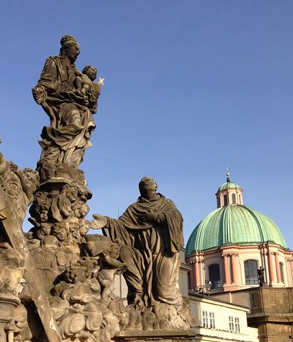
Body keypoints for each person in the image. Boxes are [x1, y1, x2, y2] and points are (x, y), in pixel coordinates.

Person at [91, 177, 184, 311]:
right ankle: (139, 296)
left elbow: (176, 218)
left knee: (163, 291)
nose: (149, 189)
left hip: (164, 253)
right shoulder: (135, 209)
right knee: (124, 252)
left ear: (156, 187)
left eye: (151, 187)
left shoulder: (166, 204)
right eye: (145, 187)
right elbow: (121, 225)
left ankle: (178, 311)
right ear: (141, 191)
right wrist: (106, 221)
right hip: (143, 255)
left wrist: (156, 217)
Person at [32, 34, 97, 168]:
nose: (77, 52)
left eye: (78, 49)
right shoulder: (54, 61)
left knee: (86, 118)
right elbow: (45, 82)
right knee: (76, 124)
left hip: (75, 102)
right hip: (60, 101)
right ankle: (53, 150)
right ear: (65, 48)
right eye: (75, 48)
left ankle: (69, 161)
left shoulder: (76, 71)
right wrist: (40, 90)